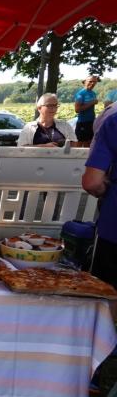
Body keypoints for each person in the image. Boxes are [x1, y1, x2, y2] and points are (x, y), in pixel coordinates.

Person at [82, 102, 117, 288]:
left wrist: (106, 191)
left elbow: (92, 182)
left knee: (106, 295)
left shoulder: (113, 120)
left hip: (113, 228)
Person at [74, 75, 100, 147]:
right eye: (90, 81)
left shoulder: (93, 93)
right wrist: (91, 103)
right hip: (82, 122)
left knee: (89, 144)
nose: (92, 83)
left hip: (91, 122)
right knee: (79, 144)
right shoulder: (80, 94)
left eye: (94, 82)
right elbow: (77, 109)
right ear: (85, 82)